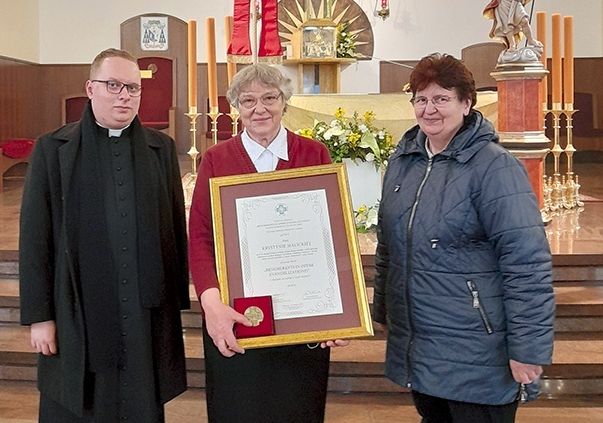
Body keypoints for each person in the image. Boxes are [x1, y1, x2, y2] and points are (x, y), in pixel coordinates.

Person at [373, 53, 555, 423]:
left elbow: (527, 263)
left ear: (466, 103)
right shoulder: (404, 161)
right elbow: (388, 247)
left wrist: (528, 348)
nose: (430, 109)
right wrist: (383, 312)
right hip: (422, 347)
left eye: (442, 98)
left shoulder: (494, 166)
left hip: (478, 353)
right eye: (421, 99)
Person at [19, 48, 190, 422]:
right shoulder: (53, 149)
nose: (124, 95)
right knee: (77, 401)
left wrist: (176, 298)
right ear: (91, 88)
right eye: (113, 85)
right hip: (76, 308)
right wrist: (40, 317)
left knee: (141, 399)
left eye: (132, 87)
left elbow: (175, 228)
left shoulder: (160, 149)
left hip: (143, 309)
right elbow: (35, 237)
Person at [188, 63, 348, 422]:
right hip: (235, 316)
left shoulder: (313, 154)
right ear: (237, 107)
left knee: (297, 408)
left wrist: (339, 312)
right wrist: (211, 305)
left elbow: (330, 234)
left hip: (302, 317)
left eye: (269, 98)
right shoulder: (216, 159)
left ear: (284, 102)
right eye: (248, 100)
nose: (259, 109)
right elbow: (199, 236)